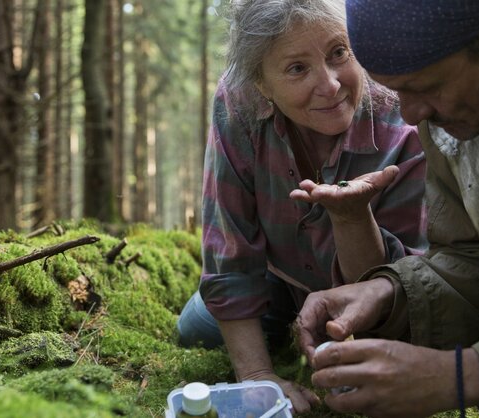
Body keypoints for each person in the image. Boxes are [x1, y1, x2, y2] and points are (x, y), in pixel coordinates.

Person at [296, 0, 479, 416]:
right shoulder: (461, 118)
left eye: (423, 86)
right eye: (397, 91)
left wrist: (468, 375)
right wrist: (391, 292)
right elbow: (475, 262)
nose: (409, 115)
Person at [175, 0, 429, 413]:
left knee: (359, 387)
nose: (330, 85)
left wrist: (351, 217)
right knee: (195, 331)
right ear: (262, 84)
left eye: (338, 53)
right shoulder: (238, 102)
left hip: (371, 296)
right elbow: (229, 248)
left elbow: (400, 284)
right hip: (276, 276)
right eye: (297, 68)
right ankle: (279, 333)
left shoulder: (404, 118)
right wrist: (256, 376)